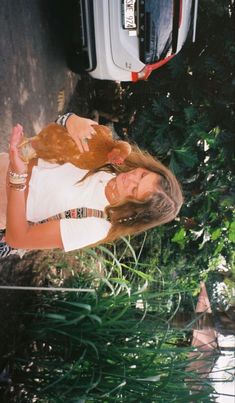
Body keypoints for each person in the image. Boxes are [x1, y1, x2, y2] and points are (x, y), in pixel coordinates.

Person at [0, 113, 183, 258]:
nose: (130, 179)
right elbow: (61, 133)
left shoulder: (96, 226)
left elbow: (17, 239)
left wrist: (17, 176)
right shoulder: (112, 161)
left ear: (133, 210)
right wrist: (71, 120)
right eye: (142, 175)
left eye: (134, 191)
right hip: (6, 163)